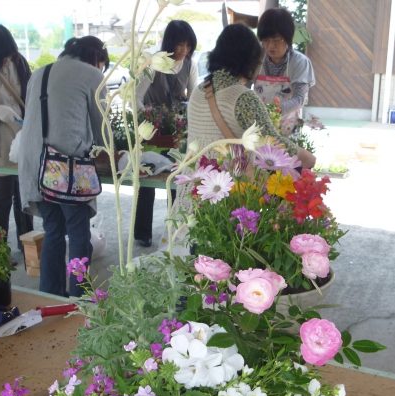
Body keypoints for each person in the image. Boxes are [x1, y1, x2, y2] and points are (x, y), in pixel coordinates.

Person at [162, 23, 315, 257]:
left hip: (196, 188)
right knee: (224, 261)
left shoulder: (200, 91)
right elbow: (272, 142)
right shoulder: (242, 97)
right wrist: (307, 158)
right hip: (227, 192)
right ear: (249, 59)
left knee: (198, 258)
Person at [18, 36, 108, 297]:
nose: (101, 70)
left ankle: (50, 297)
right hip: (65, 169)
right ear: (96, 59)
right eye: (102, 64)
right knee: (79, 233)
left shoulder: (40, 72)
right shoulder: (92, 75)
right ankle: (79, 300)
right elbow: (103, 131)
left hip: (34, 165)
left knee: (54, 230)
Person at [134, 20, 198, 247]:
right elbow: (136, 97)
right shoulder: (153, 63)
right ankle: (142, 232)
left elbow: (194, 98)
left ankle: (175, 231)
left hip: (177, 132)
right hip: (152, 132)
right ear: (169, 43)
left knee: (178, 179)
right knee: (147, 179)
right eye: (180, 44)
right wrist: (148, 119)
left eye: (188, 45)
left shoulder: (189, 64)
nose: (184, 50)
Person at [0, 24, 33, 264]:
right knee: (2, 195)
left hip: (23, 136)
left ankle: (29, 247)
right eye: (2, 56)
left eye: (9, 54)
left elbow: (32, 93)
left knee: (25, 195)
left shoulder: (20, 62)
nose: (7, 60)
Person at [254, 8, 315, 136]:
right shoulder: (256, 60)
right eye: (265, 40)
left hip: (288, 130)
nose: (271, 46)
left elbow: (299, 98)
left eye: (276, 40)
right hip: (259, 128)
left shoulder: (299, 62)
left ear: (288, 37)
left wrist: (275, 110)